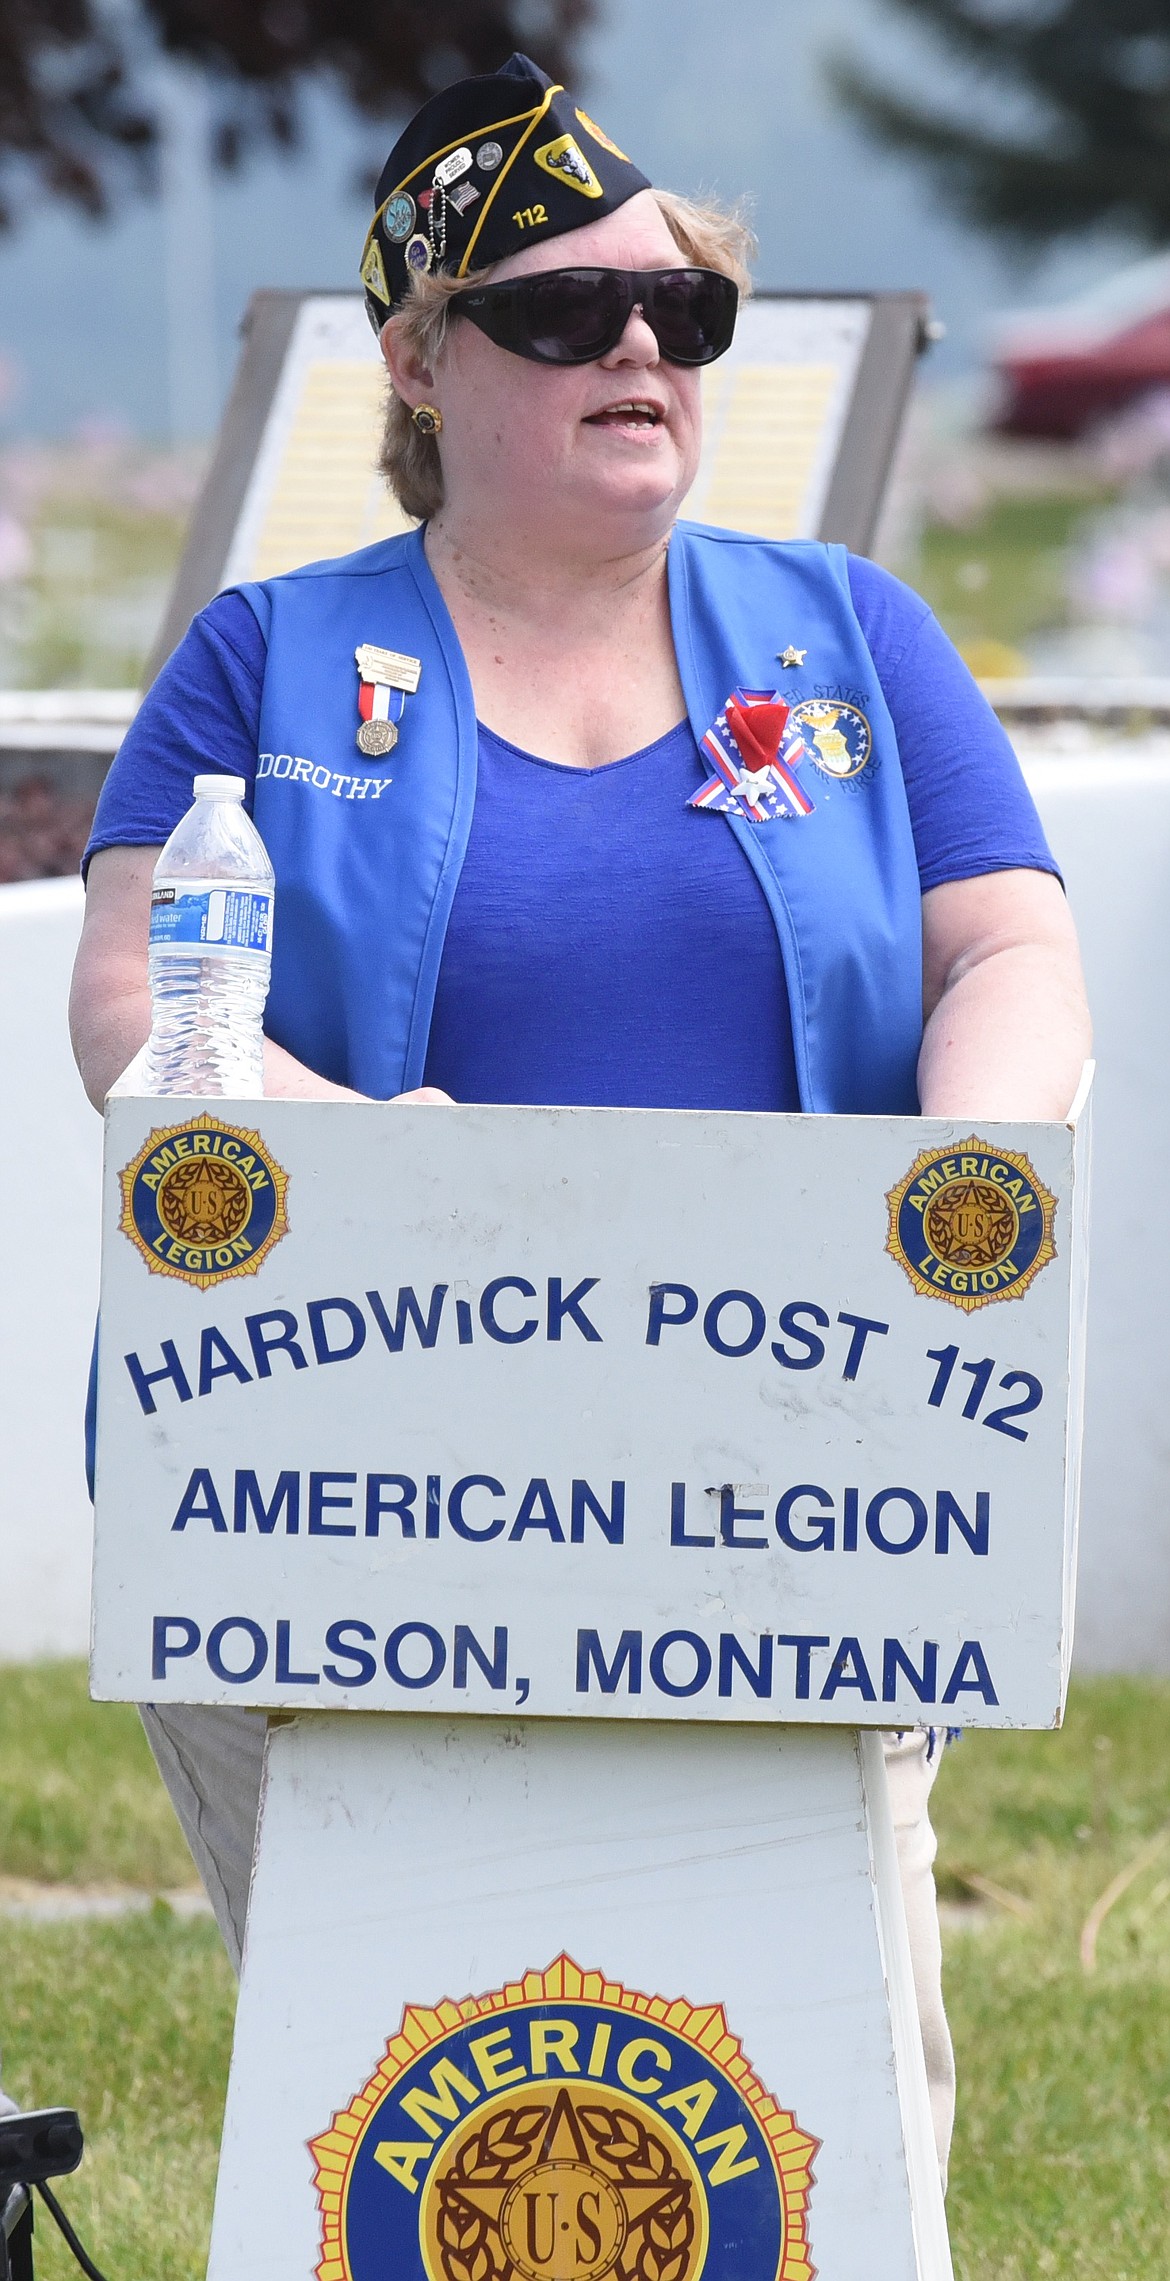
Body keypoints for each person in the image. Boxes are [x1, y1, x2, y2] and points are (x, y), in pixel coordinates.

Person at [68, 50, 1090, 2186]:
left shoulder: (852, 638)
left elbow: (1010, 954)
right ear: (423, 362)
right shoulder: (262, 665)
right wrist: (377, 1159)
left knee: (808, 2125)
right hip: (343, 1479)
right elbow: (141, 1013)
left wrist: (966, 1170)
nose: (638, 347)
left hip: (802, 1476)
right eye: (560, 311)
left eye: (680, 314)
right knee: (407, 2101)